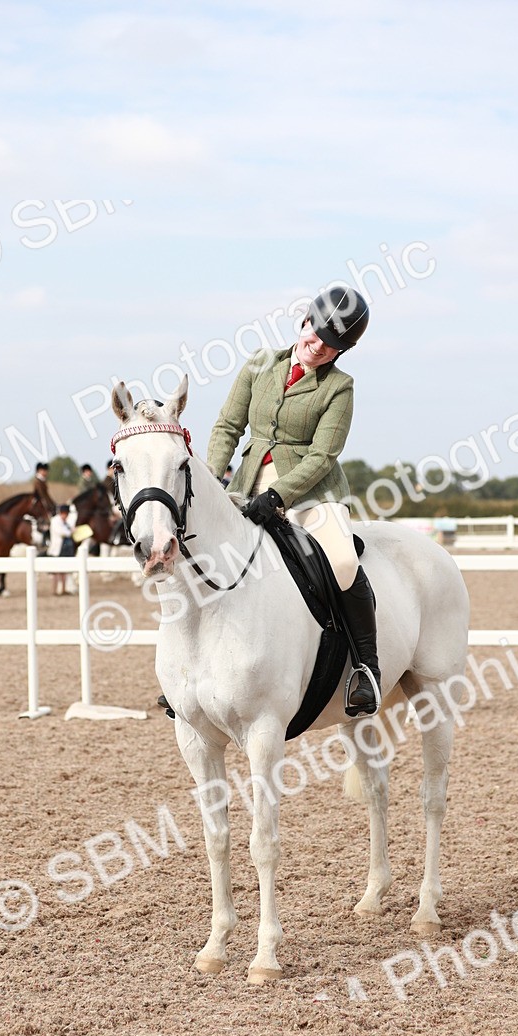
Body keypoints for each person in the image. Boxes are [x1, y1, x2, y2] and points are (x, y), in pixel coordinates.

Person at [207, 286, 380, 716]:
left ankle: (366, 669)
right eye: (316, 333)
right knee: (202, 551)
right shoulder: (260, 364)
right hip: (246, 483)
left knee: (341, 561)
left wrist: (278, 495)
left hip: (312, 493)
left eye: (332, 345)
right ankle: (190, 672)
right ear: (304, 322)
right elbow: (228, 425)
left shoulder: (340, 387)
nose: (318, 347)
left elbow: (323, 455)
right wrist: (212, 480)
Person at [48, 503, 75, 595]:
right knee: (56, 572)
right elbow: (61, 532)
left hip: (64, 549)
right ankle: (54, 590)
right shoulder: (55, 521)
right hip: (57, 549)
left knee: (64, 570)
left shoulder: (64, 522)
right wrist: (70, 531)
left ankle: (63, 589)